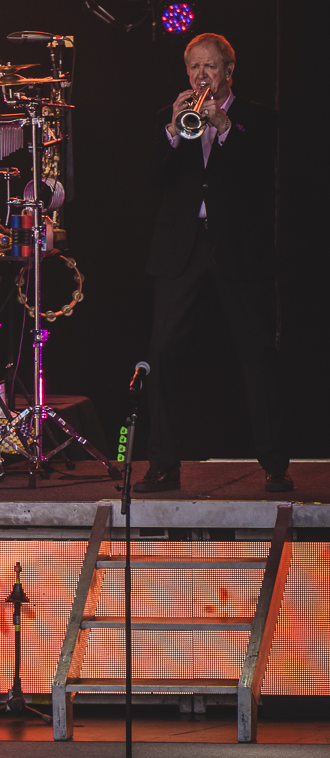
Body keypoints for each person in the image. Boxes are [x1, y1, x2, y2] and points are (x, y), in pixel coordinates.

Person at [137, 33, 288, 493]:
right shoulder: (173, 118)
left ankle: (275, 466)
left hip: (237, 248)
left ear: (228, 72)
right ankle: (163, 465)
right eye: (194, 68)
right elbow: (154, 177)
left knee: (258, 353)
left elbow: (258, 173)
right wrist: (171, 133)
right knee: (162, 352)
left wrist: (223, 127)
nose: (201, 75)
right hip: (182, 248)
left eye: (211, 67)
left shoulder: (257, 118)